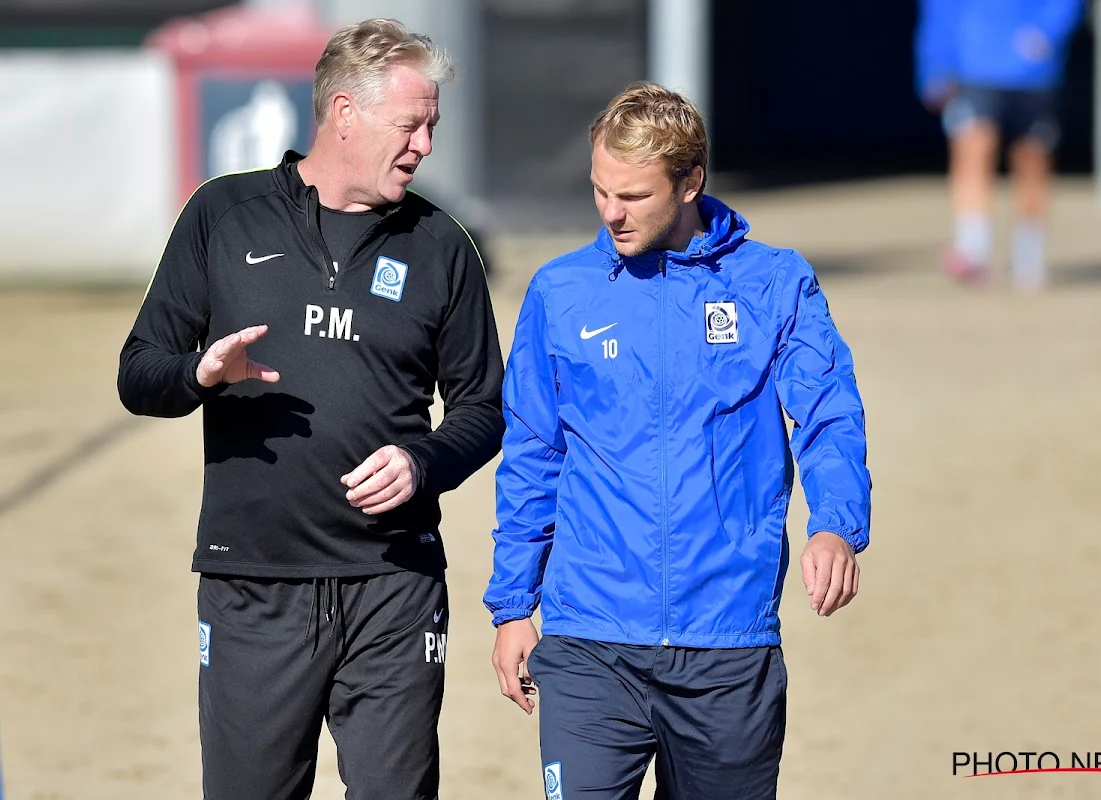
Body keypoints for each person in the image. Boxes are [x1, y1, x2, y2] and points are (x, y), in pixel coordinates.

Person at [117, 18, 504, 800]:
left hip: (394, 587)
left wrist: (423, 461)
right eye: (411, 124)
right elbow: (139, 376)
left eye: (432, 124)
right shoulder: (222, 217)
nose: (426, 144)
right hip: (253, 586)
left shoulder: (443, 247)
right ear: (344, 114)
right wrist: (201, 372)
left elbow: (484, 409)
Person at [485, 82, 872, 799]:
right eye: (600, 190)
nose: (610, 212)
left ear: (691, 181)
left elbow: (828, 413)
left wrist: (836, 527)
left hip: (727, 644)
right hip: (589, 642)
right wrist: (513, 607)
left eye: (632, 196)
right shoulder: (559, 292)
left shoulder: (776, 284)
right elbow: (534, 452)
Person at [915, 0, 1086, 291]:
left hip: (1033, 74)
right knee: (972, 151)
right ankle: (973, 249)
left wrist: (1045, 33)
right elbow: (939, 10)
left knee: (1032, 162)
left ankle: (1028, 258)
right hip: (973, 68)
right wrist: (933, 65)